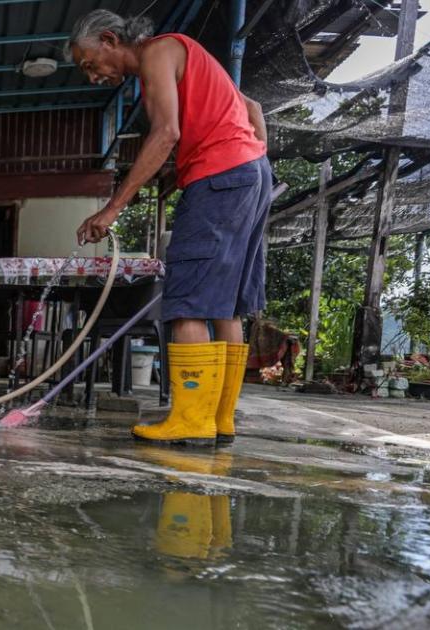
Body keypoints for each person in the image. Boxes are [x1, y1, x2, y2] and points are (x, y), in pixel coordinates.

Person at [65, 9, 271, 446]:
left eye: (90, 63)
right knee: (226, 306)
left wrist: (112, 209)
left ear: (109, 39)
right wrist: (251, 156)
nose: (92, 76)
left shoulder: (159, 51)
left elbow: (166, 134)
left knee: (187, 302)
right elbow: (251, 108)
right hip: (251, 174)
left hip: (220, 176)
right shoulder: (189, 55)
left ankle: (190, 421)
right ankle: (218, 420)